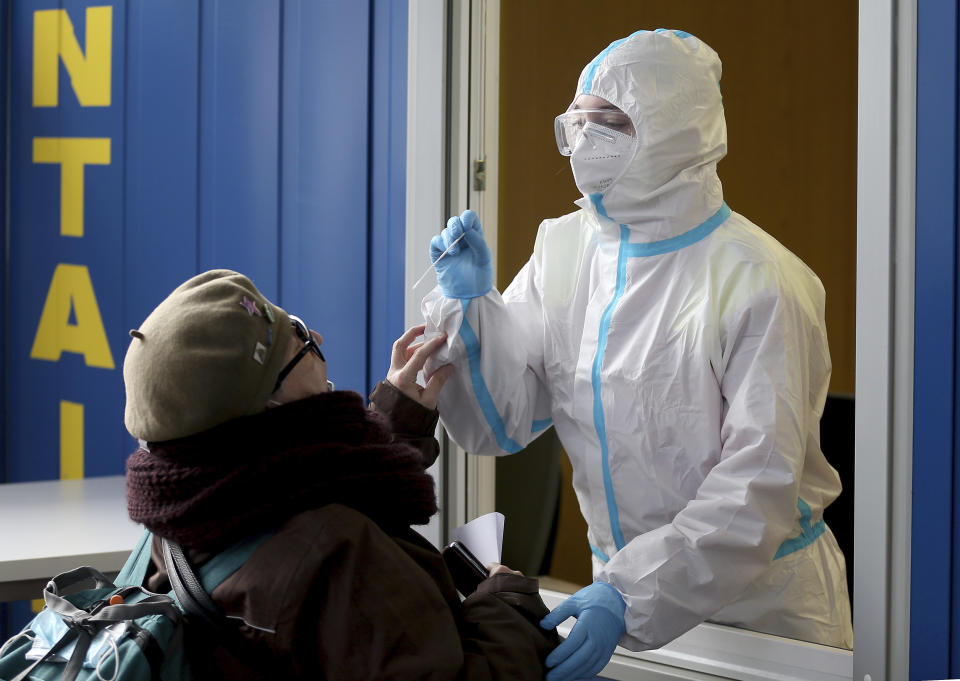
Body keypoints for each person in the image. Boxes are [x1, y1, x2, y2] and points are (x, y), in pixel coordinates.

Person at [421, 29, 853, 681]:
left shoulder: (760, 281)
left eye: (612, 121)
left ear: (678, 132)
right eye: (580, 119)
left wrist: (633, 593)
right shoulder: (564, 251)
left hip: (765, 615)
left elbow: (757, 484)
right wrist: (472, 309)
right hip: (617, 602)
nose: (587, 137)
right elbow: (501, 422)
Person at [122, 269, 558, 679]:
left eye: (295, 323)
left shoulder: (184, 513)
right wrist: (508, 602)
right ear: (268, 409)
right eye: (296, 343)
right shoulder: (337, 555)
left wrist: (391, 430)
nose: (316, 336)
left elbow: (293, 500)